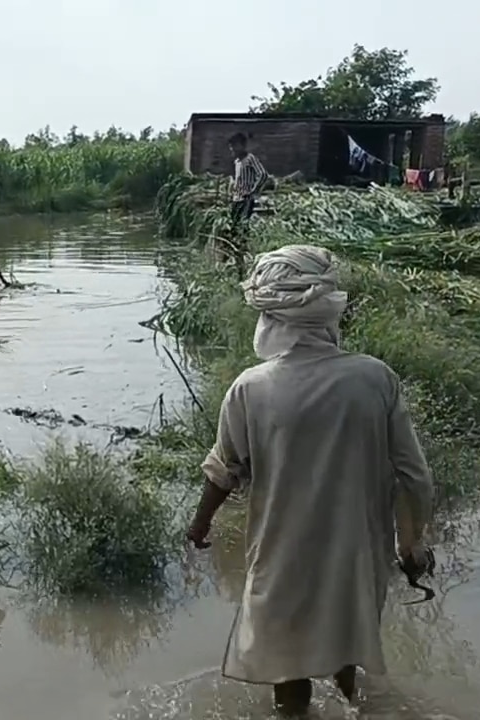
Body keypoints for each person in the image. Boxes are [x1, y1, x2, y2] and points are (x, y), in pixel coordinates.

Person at [185, 244, 434, 717]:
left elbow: (224, 471)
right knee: (347, 654)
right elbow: (414, 475)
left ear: (270, 319)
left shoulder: (251, 388)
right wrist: (411, 543)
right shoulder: (374, 378)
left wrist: (200, 527)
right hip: (356, 554)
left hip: (282, 554)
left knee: (287, 671)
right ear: (327, 314)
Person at [228, 133, 269, 223]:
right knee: (234, 223)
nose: (232, 149)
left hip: (246, 199)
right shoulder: (237, 162)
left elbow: (263, 174)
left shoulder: (250, 158)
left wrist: (253, 190)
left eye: (235, 145)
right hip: (236, 199)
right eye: (231, 146)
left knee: (243, 223)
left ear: (242, 145)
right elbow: (236, 180)